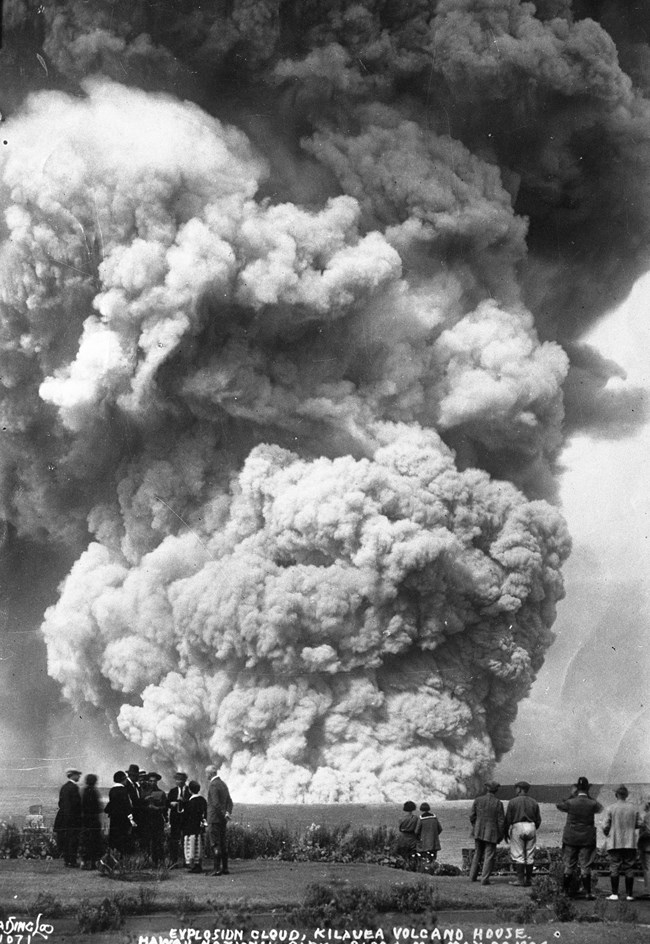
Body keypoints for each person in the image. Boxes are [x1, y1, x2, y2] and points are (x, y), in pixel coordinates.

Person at [556, 776, 603, 900]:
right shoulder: (592, 803)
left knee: (569, 865)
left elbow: (559, 806)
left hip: (571, 837)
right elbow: (600, 808)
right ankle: (587, 892)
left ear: (577, 788)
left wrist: (572, 796)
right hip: (587, 838)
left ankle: (565, 892)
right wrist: (589, 796)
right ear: (587, 789)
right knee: (585, 865)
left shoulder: (571, 802)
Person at [603, 784, 643, 901]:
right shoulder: (634, 808)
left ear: (616, 795)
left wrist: (608, 835)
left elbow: (605, 826)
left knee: (614, 866)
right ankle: (629, 894)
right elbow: (639, 823)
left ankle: (614, 894)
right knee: (629, 867)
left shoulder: (610, 808)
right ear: (626, 795)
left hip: (615, 841)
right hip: (630, 842)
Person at [505, 780, 541, 887]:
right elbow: (538, 820)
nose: (515, 790)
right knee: (530, 854)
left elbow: (508, 819)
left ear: (520, 789)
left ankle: (520, 880)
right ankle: (529, 880)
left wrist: (506, 832)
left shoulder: (513, 802)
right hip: (531, 826)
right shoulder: (534, 802)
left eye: (516, 788)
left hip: (517, 826)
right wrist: (533, 828)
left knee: (518, 854)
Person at [469, 781, 505, 886]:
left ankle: (472, 876)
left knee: (477, 853)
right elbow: (501, 821)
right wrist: (500, 834)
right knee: (489, 855)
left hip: (478, 830)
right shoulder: (498, 803)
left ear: (487, 789)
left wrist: (476, 826)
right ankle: (484, 879)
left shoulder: (478, 800)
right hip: (491, 832)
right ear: (496, 790)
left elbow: (472, 816)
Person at [205, 764, 233, 876]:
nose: (206, 775)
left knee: (215, 844)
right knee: (223, 843)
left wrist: (223, 813)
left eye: (206, 773)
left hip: (214, 818)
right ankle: (225, 868)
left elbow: (216, 804)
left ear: (211, 773)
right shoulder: (223, 784)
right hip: (222, 820)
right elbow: (230, 801)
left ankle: (216, 869)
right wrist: (227, 813)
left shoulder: (213, 785)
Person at [54, 768, 83, 867]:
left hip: (64, 818)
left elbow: (61, 803)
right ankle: (72, 861)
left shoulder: (64, 787)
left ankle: (68, 860)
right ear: (72, 775)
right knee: (73, 840)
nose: (79, 776)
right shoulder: (73, 788)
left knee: (67, 840)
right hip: (72, 818)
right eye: (77, 774)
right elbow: (75, 804)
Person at [104, 770, 135, 858]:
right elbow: (127, 805)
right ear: (123, 779)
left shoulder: (112, 790)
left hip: (114, 818)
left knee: (114, 837)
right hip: (123, 818)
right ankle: (121, 858)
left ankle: (113, 858)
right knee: (123, 838)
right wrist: (131, 818)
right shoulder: (124, 790)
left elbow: (111, 803)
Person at [182, 780, 208, 874]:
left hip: (191, 828)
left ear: (189, 790)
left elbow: (186, 817)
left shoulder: (190, 803)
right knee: (199, 846)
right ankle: (198, 864)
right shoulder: (203, 800)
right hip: (200, 827)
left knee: (192, 846)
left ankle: (194, 865)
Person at [79, 773, 104, 870]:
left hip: (85, 820)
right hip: (94, 820)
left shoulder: (84, 791)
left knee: (86, 841)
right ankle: (92, 863)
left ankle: (84, 861)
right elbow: (98, 807)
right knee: (94, 842)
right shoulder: (94, 792)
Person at [167, 771, 190, 866]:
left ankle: (187, 860)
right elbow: (167, 803)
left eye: (180, 780)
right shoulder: (172, 791)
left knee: (186, 840)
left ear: (185, 780)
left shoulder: (189, 791)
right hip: (175, 819)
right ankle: (174, 860)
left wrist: (183, 802)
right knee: (174, 840)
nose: (178, 782)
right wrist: (171, 804)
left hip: (185, 819)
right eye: (177, 780)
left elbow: (191, 802)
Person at [144, 772, 167, 866]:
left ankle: (159, 861)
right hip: (147, 820)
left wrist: (157, 808)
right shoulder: (144, 793)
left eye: (154, 781)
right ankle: (147, 861)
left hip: (157, 820)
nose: (152, 783)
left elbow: (165, 807)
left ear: (157, 782)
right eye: (150, 781)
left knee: (158, 842)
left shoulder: (161, 793)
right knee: (147, 842)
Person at [638, 798, 650, 900]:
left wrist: (640, 837)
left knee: (647, 868)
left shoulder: (647, 816)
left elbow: (648, 832)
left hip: (647, 846)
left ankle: (648, 891)